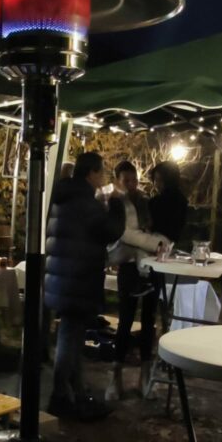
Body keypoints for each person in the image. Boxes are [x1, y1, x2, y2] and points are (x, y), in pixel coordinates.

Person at [45, 152, 125, 420]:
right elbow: (111, 231)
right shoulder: (85, 202)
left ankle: (76, 393)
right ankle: (60, 396)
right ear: (92, 173)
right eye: (101, 172)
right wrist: (116, 203)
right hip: (77, 279)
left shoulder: (64, 198)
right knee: (70, 339)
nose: (103, 178)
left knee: (72, 337)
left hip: (63, 278)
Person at [106, 161, 169, 401]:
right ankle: (115, 376)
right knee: (125, 319)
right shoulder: (114, 202)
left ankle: (145, 375)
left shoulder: (145, 201)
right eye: (126, 180)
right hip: (128, 266)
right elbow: (123, 233)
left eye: (134, 180)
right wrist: (154, 242)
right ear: (118, 180)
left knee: (149, 320)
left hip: (149, 265)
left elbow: (148, 228)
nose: (132, 184)